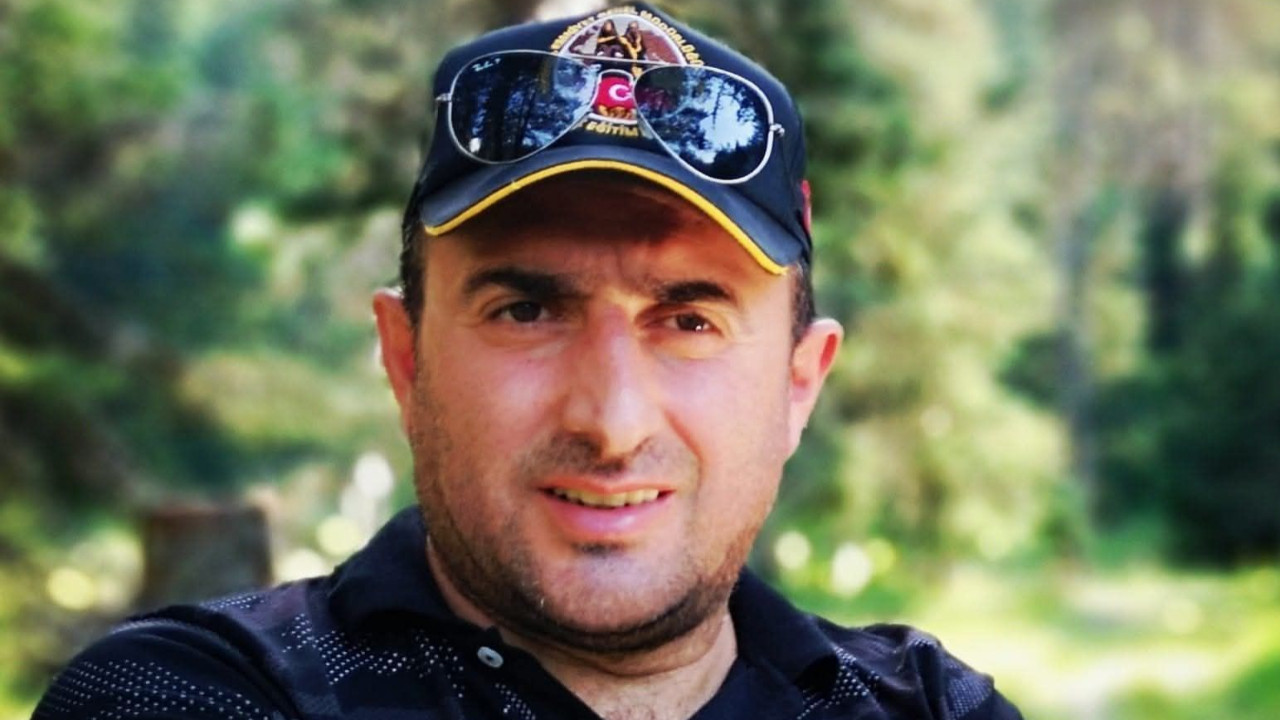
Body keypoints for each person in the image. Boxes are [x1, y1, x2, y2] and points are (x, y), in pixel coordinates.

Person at [32, 4, 1024, 719]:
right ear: (406, 359)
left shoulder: (924, 706)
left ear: (800, 383)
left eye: (687, 321)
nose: (612, 421)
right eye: (527, 311)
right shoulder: (194, 694)